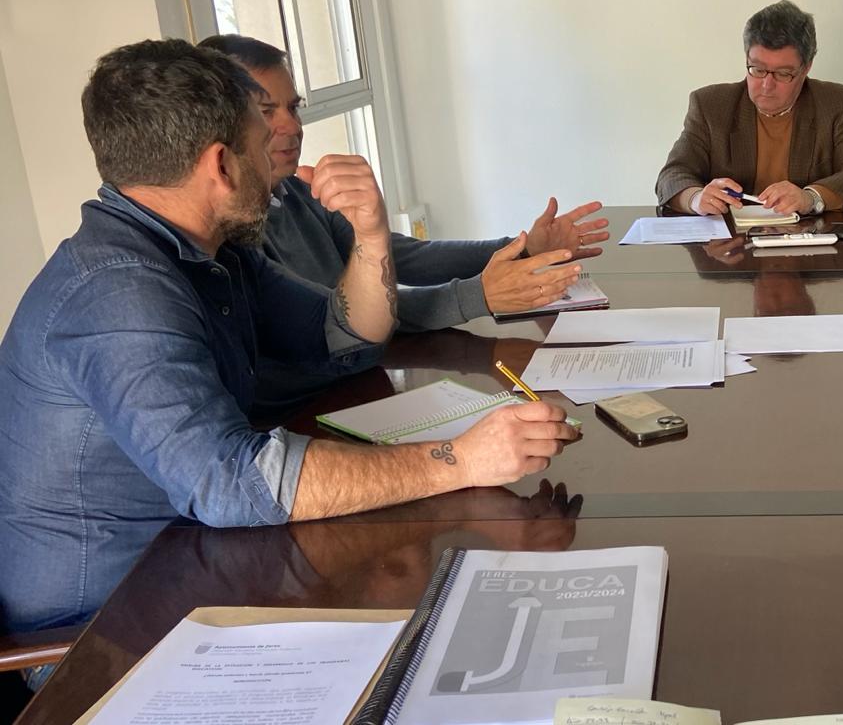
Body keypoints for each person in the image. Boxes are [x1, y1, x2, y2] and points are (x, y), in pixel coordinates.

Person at [0, 41, 577, 681]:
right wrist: (461, 460)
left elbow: (346, 336)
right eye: (259, 141)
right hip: (105, 638)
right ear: (221, 164)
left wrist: (374, 239)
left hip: (199, 564)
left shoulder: (215, 252)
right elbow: (230, 483)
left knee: (442, 626)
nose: (279, 154)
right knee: (433, 650)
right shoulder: (118, 293)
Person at [199, 34, 608, 332]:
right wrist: (478, 295)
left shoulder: (301, 196)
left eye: (293, 107)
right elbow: (344, 319)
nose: (291, 126)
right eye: (267, 112)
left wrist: (522, 249)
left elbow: (406, 258)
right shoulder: (232, 230)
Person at [655, 0, 843, 217]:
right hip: (730, 246)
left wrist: (810, 198)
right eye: (758, 69)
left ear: (806, 67)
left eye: (783, 74)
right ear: (747, 58)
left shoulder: (835, 103)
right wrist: (696, 199)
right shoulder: (711, 105)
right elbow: (672, 176)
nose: (766, 85)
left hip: (806, 244)